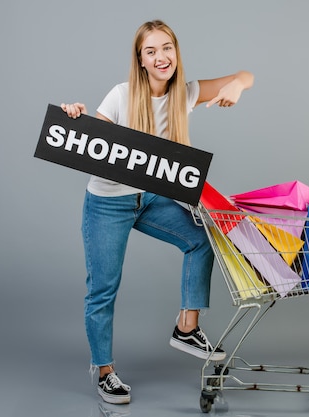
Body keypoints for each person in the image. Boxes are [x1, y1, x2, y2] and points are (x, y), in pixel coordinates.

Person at [60, 19, 254, 405]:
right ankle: (104, 371)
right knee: (103, 289)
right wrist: (74, 118)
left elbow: (245, 75)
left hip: (146, 198)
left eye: (167, 47)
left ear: (176, 52)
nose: (161, 56)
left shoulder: (185, 93)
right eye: (151, 51)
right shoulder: (121, 95)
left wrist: (236, 85)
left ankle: (187, 328)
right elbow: (94, 146)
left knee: (200, 239)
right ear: (141, 60)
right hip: (108, 203)